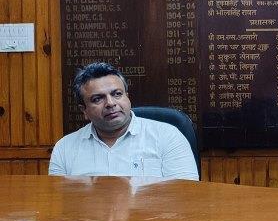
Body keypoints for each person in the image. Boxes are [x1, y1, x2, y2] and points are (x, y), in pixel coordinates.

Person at [49, 62, 199, 180]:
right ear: (84, 110)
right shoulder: (65, 149)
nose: (110, 103)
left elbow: (185, 196)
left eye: (117, 94)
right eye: (97, 99)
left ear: (127, 96)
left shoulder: (167, 136)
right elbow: (61, 203)